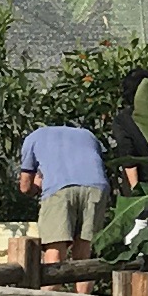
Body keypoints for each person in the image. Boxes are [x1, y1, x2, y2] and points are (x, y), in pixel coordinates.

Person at [15, 111, 111, 269]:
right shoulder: (87, 135)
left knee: (55, 248)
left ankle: (49, 293)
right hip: (96, 187)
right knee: (84, 250)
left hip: (59, 189)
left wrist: (37, 186)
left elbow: (25, 187)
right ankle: (82, 294)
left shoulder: (33, 138)